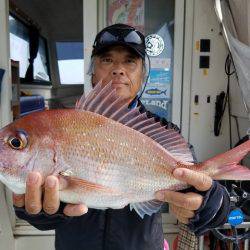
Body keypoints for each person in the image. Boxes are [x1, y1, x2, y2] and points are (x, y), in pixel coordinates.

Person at [13, 23, 230, 250]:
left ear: (143, 73)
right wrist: (42, 210)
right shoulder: (63, 126)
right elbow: (44, 203)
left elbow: (203, 193)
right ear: (92, 70)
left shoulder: (163, 132)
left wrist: (211, 203)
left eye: (130, 61)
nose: (118, 69)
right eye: (107, 60)